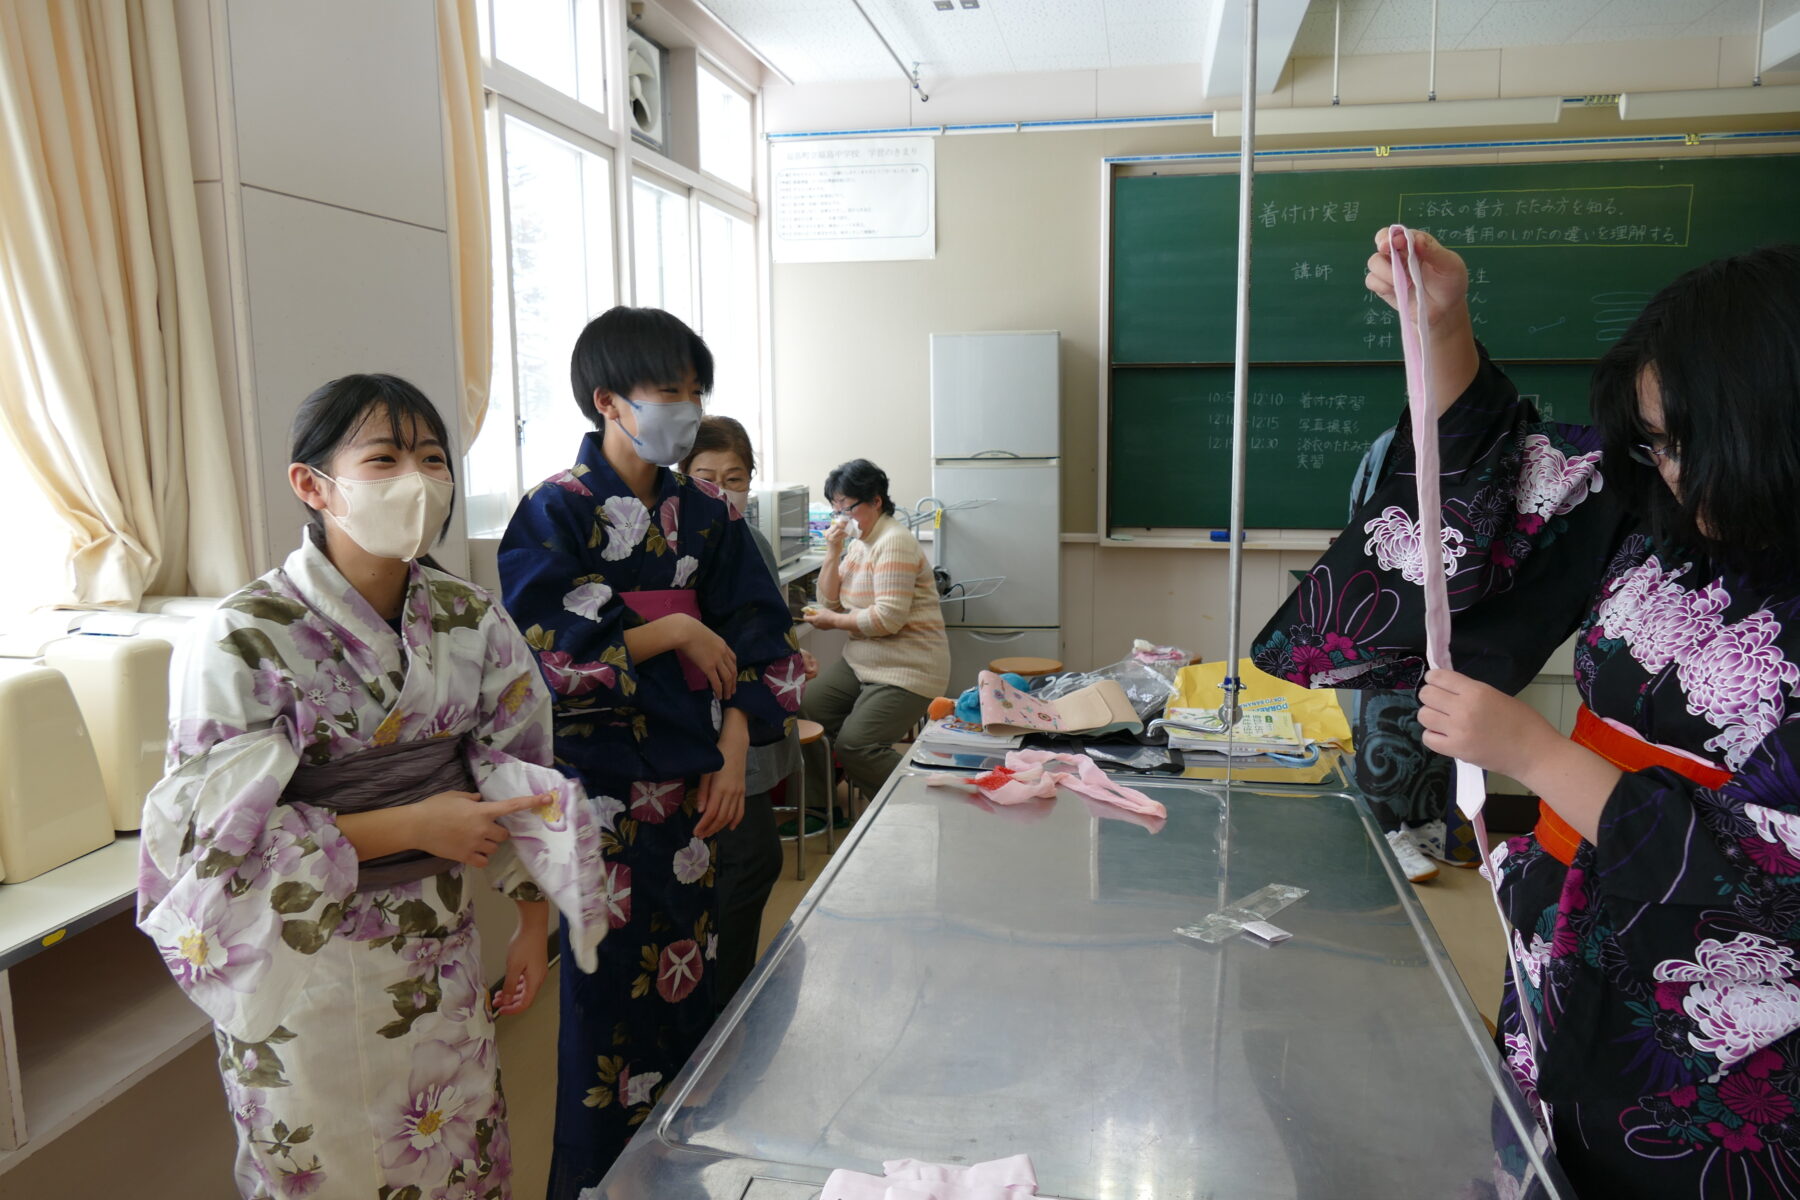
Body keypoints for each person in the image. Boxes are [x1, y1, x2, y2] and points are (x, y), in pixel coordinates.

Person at [1255, 232, 1800, 1197]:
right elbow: (1517, 487)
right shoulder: (1662, 517)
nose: (1667, 470)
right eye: (1656, 442)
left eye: (1688, 443)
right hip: (1573, 936)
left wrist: (1536, 755)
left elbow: (1771, 865)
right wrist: (1443, 330)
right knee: (1545, 1151)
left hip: (1731, 1025)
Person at [137, 373, 609, 1200]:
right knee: (325, 1168)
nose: (417, 481)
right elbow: (211, 842)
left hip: (435, 951)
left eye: (432, 459)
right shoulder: (241, 636)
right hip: (298, 965)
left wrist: (532, 925)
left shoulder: (469, 619)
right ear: (313, 485)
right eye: (384, 458)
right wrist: (411, 824)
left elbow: (522, 771)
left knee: (452, 1150)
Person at [498, 307, 805, 1195]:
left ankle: (686, 1178)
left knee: (697, 994)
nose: (686, 409)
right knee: (605, 1015)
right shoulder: (556, 506)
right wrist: (671, 632)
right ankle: (598, 1185)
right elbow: (542, 654)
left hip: (699, 793)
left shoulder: (705, 514)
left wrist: (737, 744)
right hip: (600, 799)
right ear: (608, 401)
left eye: (694, 392)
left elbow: (761, 639)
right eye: (669, 391)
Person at [679, 414, 818, 1007]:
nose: (719, 487)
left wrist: (786, 661)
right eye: (705, 474)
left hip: (749, 721)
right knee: (744, 864)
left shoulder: (750, 538)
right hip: (708, 730)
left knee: (748, 864)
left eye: (733, 477)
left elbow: (765, 632)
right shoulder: (675, 542)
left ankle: (728, 1002)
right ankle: (723, 1011)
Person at [1345, 427, 1480, 884]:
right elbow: (1362, 521)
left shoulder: (1491, 438)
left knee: (1444, 713)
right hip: (1393, 594)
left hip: (1464, 600)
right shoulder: (1391, 443)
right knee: (1386, 717)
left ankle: (1426, 825)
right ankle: (1385, 829)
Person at [800, 458, 951, 804]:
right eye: (835, 507)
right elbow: (829, 599)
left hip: (908, 668)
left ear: (876, 501)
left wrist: (832, 621)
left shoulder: (893, 541)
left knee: (857, 744)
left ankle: (917, 805)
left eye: (848, 507)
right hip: (861, 662)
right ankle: (823, 804)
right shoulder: (859, 542)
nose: (841, 516)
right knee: (808, 706)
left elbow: (887, 619)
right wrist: (833, 549)